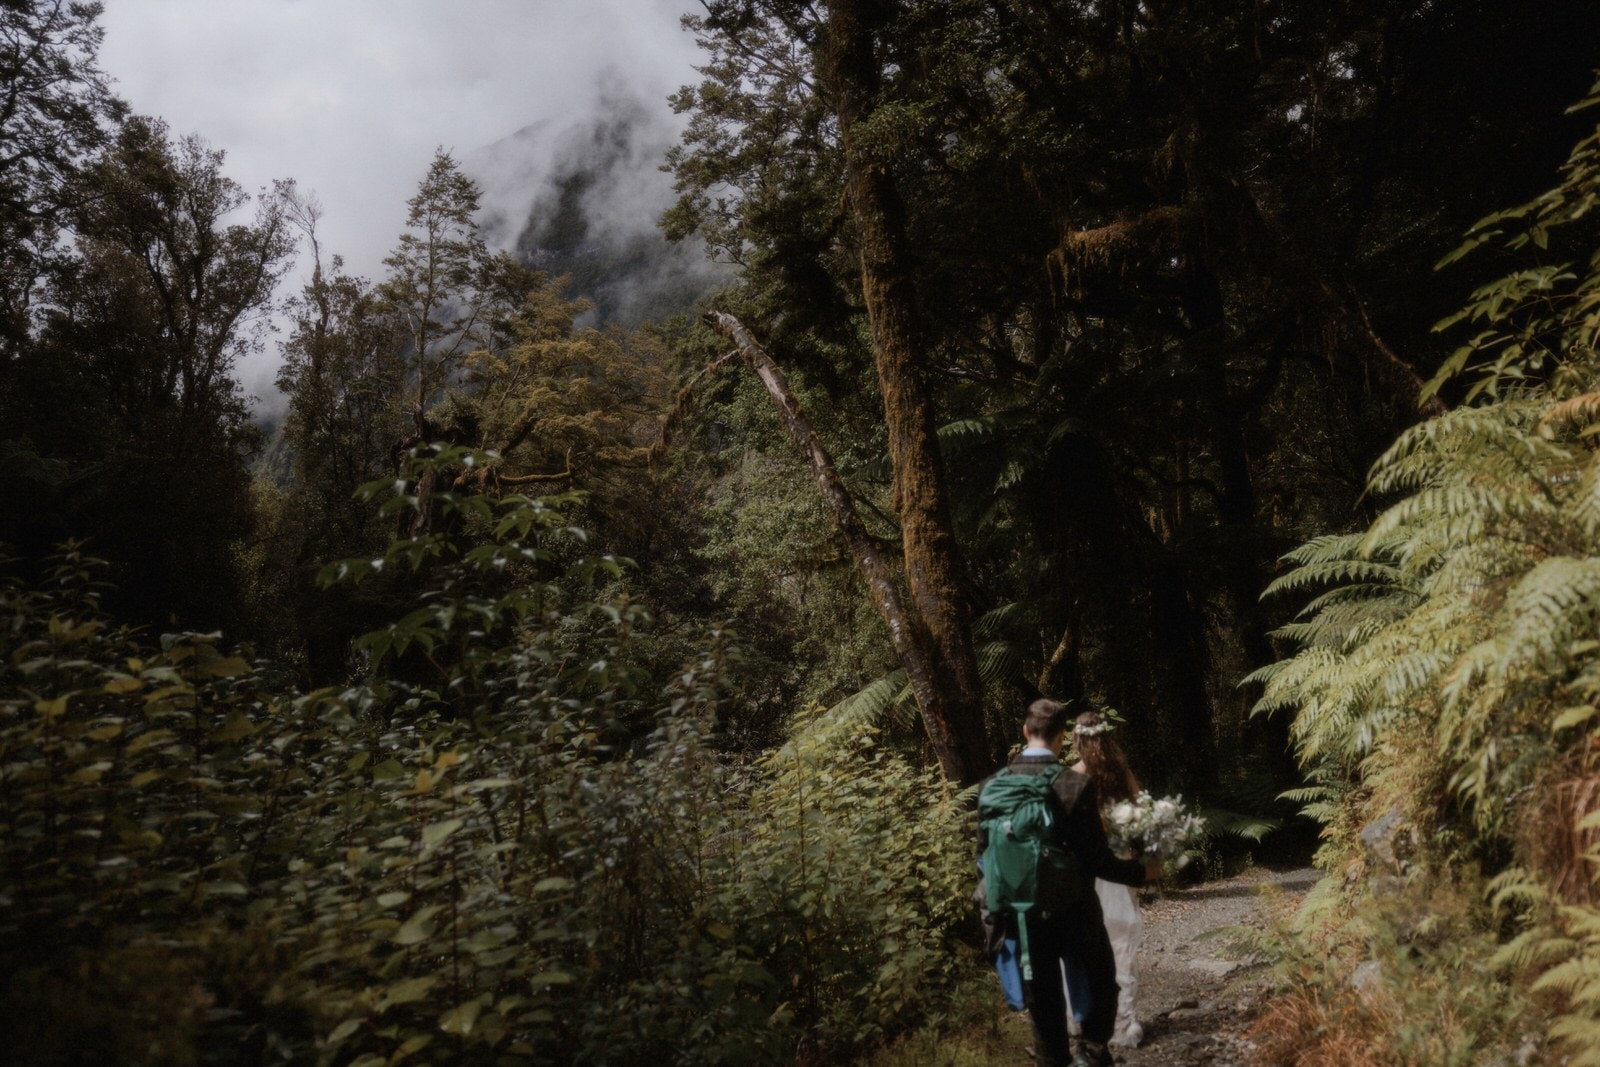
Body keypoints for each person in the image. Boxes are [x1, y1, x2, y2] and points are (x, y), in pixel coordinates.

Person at [979, 699, 1158, 1067]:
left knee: (1043, 997)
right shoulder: (1071, 785)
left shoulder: (991, 787)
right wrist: (1142, 874)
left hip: (1021, 915)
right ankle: (1091, 1051)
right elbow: (1097, 859)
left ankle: (1054, 1059)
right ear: (1062, 738)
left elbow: (983, 856)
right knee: (1100, 981)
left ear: (1025, 732)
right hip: (1074, 910)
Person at [1070, 710, 1146, 1048]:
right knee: (1120, 943)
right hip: (1119, 868)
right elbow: (1144, 816)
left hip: (1086, 873)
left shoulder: (1072, 777)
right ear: (1107, 737)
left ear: (1077, 740)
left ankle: (1081, 1019)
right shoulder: (1121, 773)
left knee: (1084, 946)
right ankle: (1123, 1022)